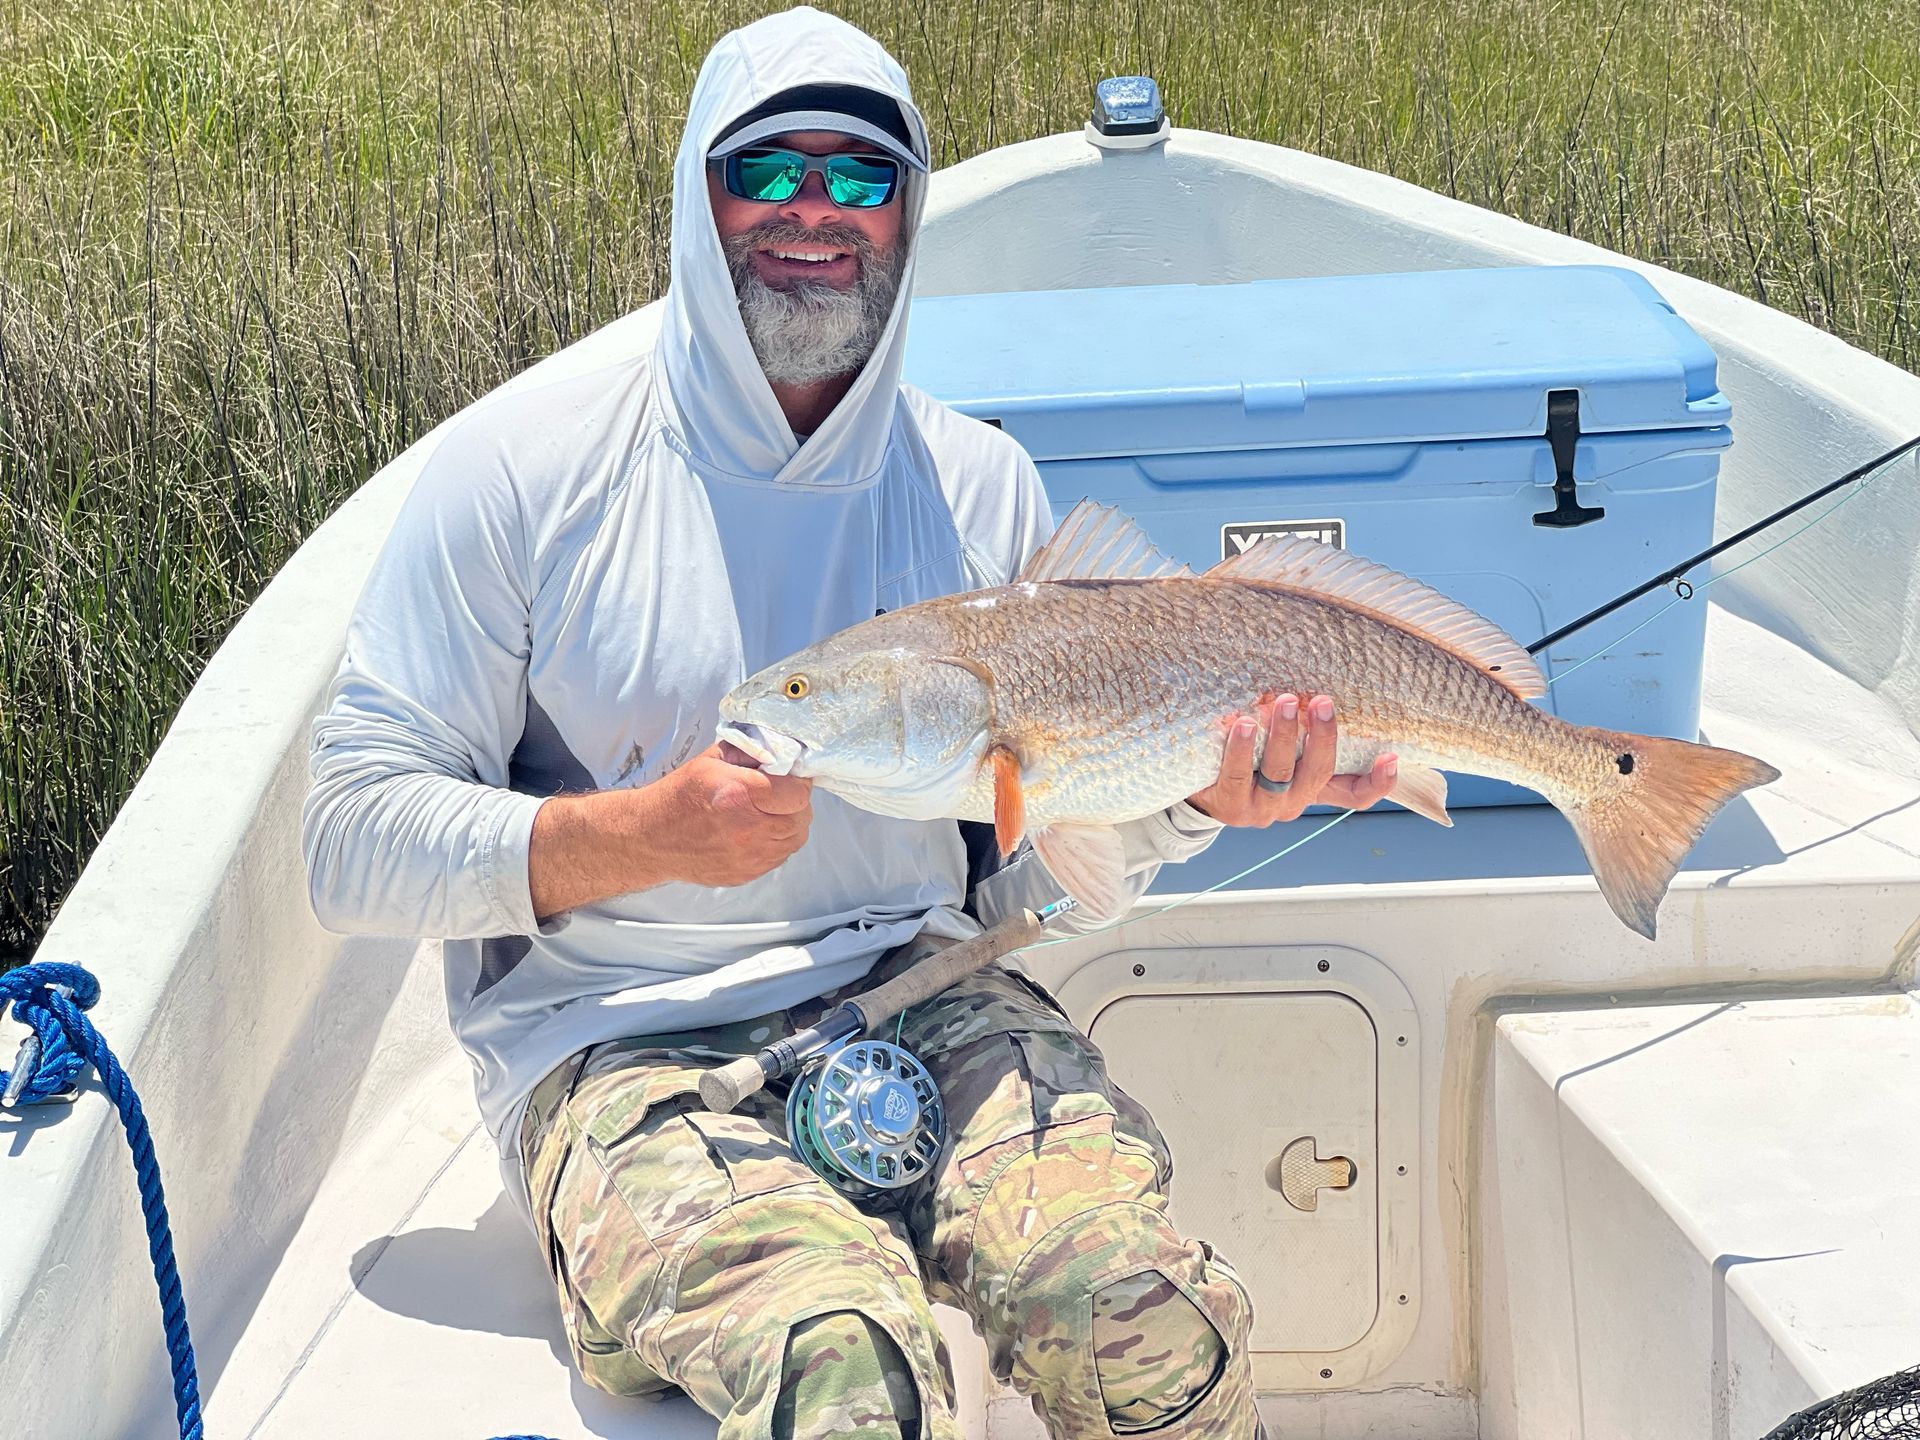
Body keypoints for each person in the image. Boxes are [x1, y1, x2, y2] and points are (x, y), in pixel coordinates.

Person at [303, 7, 1396, 1437]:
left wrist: (1189, 803)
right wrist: (645, 836)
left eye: (865, 177)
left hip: (937, 995)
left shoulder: (983, 487)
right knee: (847, 1370)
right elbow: (345, 842)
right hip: (619, 1051)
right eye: (768, 169)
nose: (815, 209)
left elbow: (1019, 877)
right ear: (698, 195)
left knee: (1147, 1326)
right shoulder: (516, 476)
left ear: (911, 213)